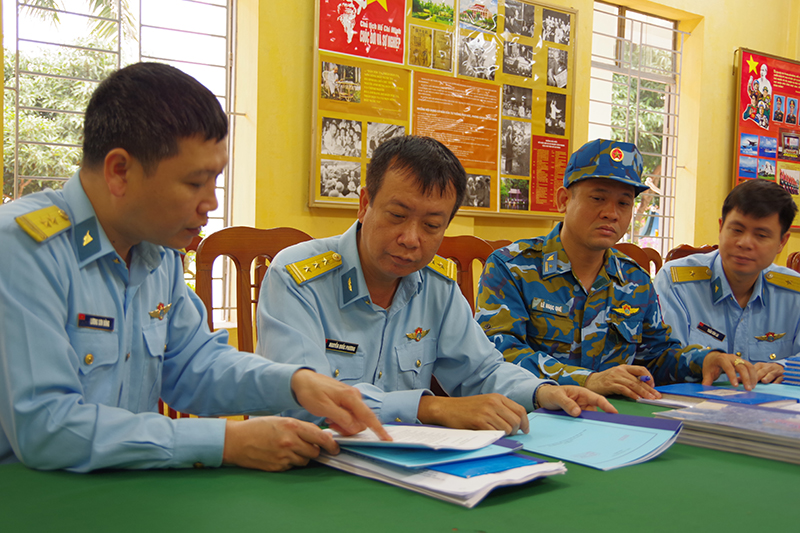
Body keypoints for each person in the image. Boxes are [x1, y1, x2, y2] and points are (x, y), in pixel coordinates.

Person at [0, 62, 388, 473]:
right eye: (195, 183)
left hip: (124, 490)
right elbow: (47, 426)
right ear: (119, 171)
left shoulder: (156, 249)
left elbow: (193, 365)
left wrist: (294, 383)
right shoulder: (23, 247)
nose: (212, 203)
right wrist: (227, 442)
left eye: (216, 180)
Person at [256, 135, 616, 435]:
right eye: (397, 216)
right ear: (364, 204)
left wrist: (541, 392)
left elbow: (482, 371)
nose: (411, 239)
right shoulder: (297, 277)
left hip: (404, 468)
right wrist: (431, 408)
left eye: (431, 226)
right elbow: (303, 400)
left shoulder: (436, 286)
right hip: (306, 466)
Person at [475, 139, 751, 401]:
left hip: (613, 420)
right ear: (563, 200)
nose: (611, 213)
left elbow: (655, 357)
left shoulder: (635, 280)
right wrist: (587, 380)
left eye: (624, 203)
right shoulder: (512, 267)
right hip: (532, 417)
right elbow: (499, 354)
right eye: (597, 198)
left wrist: (706, 360)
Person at [654, 179, 799, 384]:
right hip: (692, 407)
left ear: (782, 242)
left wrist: (783, 368)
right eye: (737, 230)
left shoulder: (794, 293)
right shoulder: (676, 282)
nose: (744, 243)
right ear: (721, 228)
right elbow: (663, 358)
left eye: (761, 235)